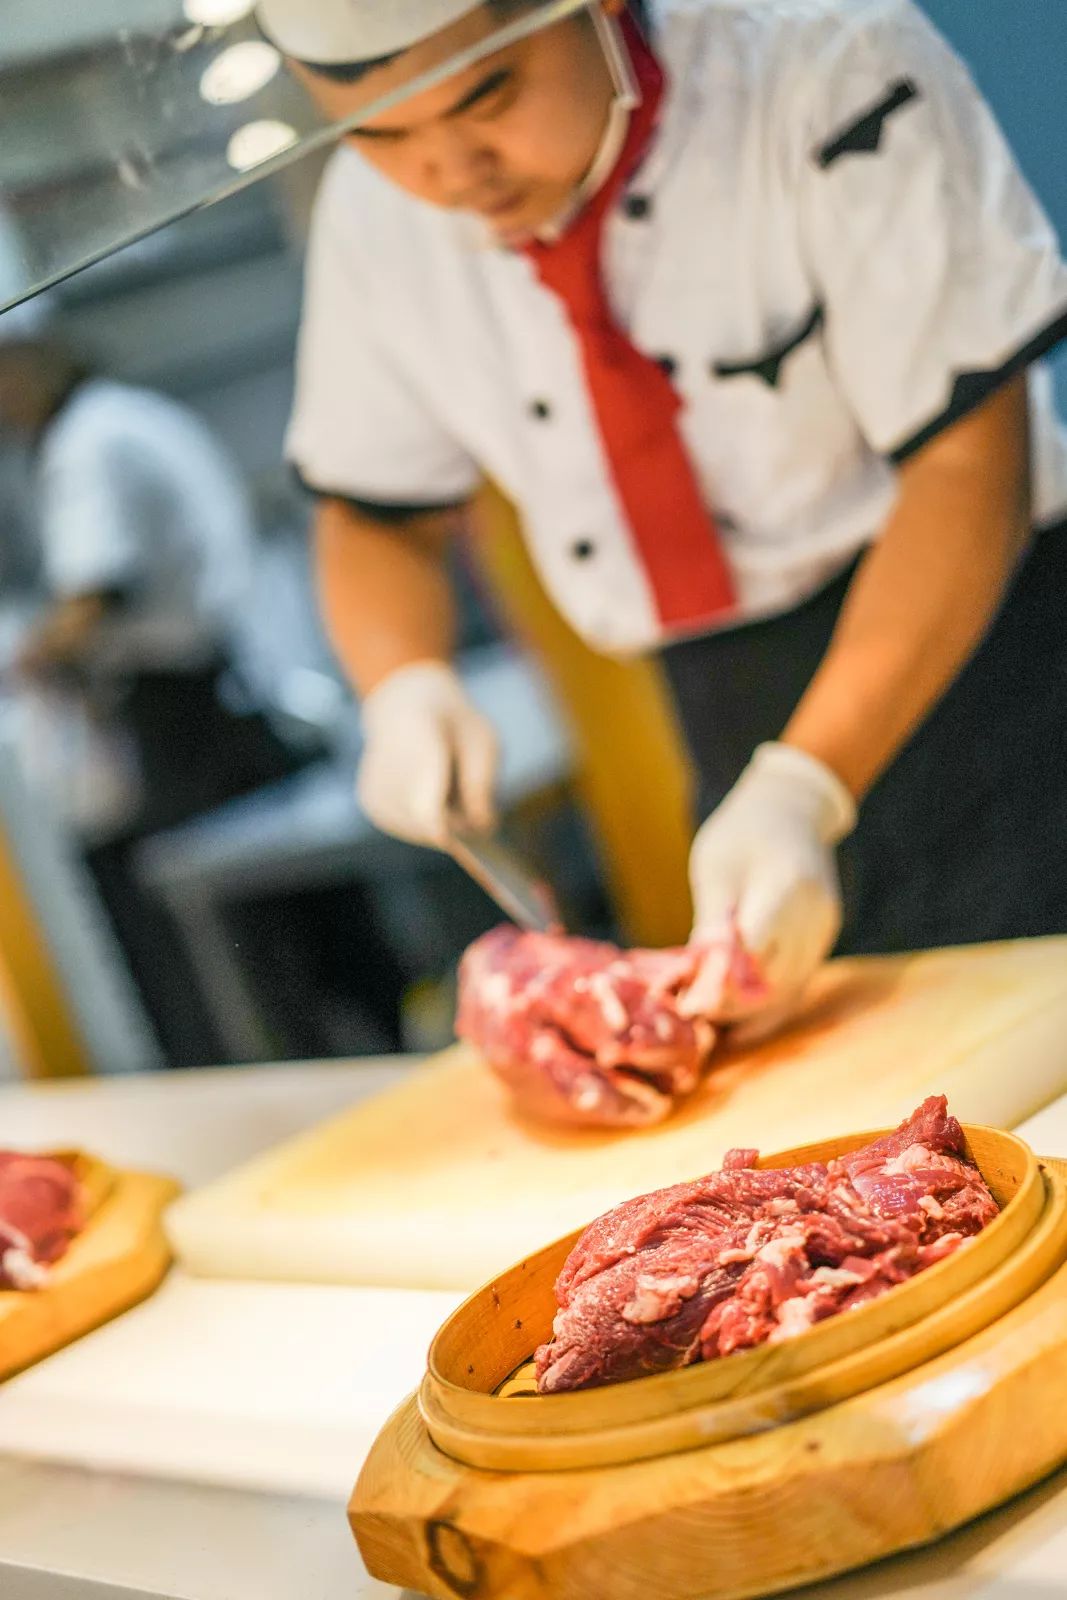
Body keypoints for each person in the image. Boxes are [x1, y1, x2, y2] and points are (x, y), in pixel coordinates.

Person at [257, 0, 1067, 1037]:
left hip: (994, 643)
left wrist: (807, 787)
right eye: (376, 132)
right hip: (722, 706)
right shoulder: (377, 222)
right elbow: (374, 516)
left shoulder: (825, 62)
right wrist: (401, 682)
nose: (450, 173)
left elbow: (965, 466)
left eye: (486, 98)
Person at [0, 335, 313, 1061]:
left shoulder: (90, 441)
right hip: (221, 692)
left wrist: (31, 657)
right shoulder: (115, 419)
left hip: (188, 710)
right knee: (277, 928)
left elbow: (93, 597)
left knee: (236, 938)